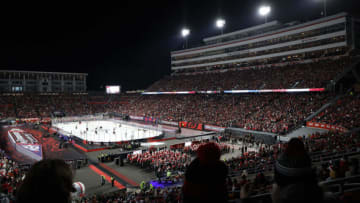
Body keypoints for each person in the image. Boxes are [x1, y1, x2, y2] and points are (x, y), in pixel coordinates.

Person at [271, 138, 324, 203]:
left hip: (286, 195)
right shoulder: (306, 159)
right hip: (308, 194)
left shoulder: (281, 160)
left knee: (275, 188)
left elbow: (278, 180)